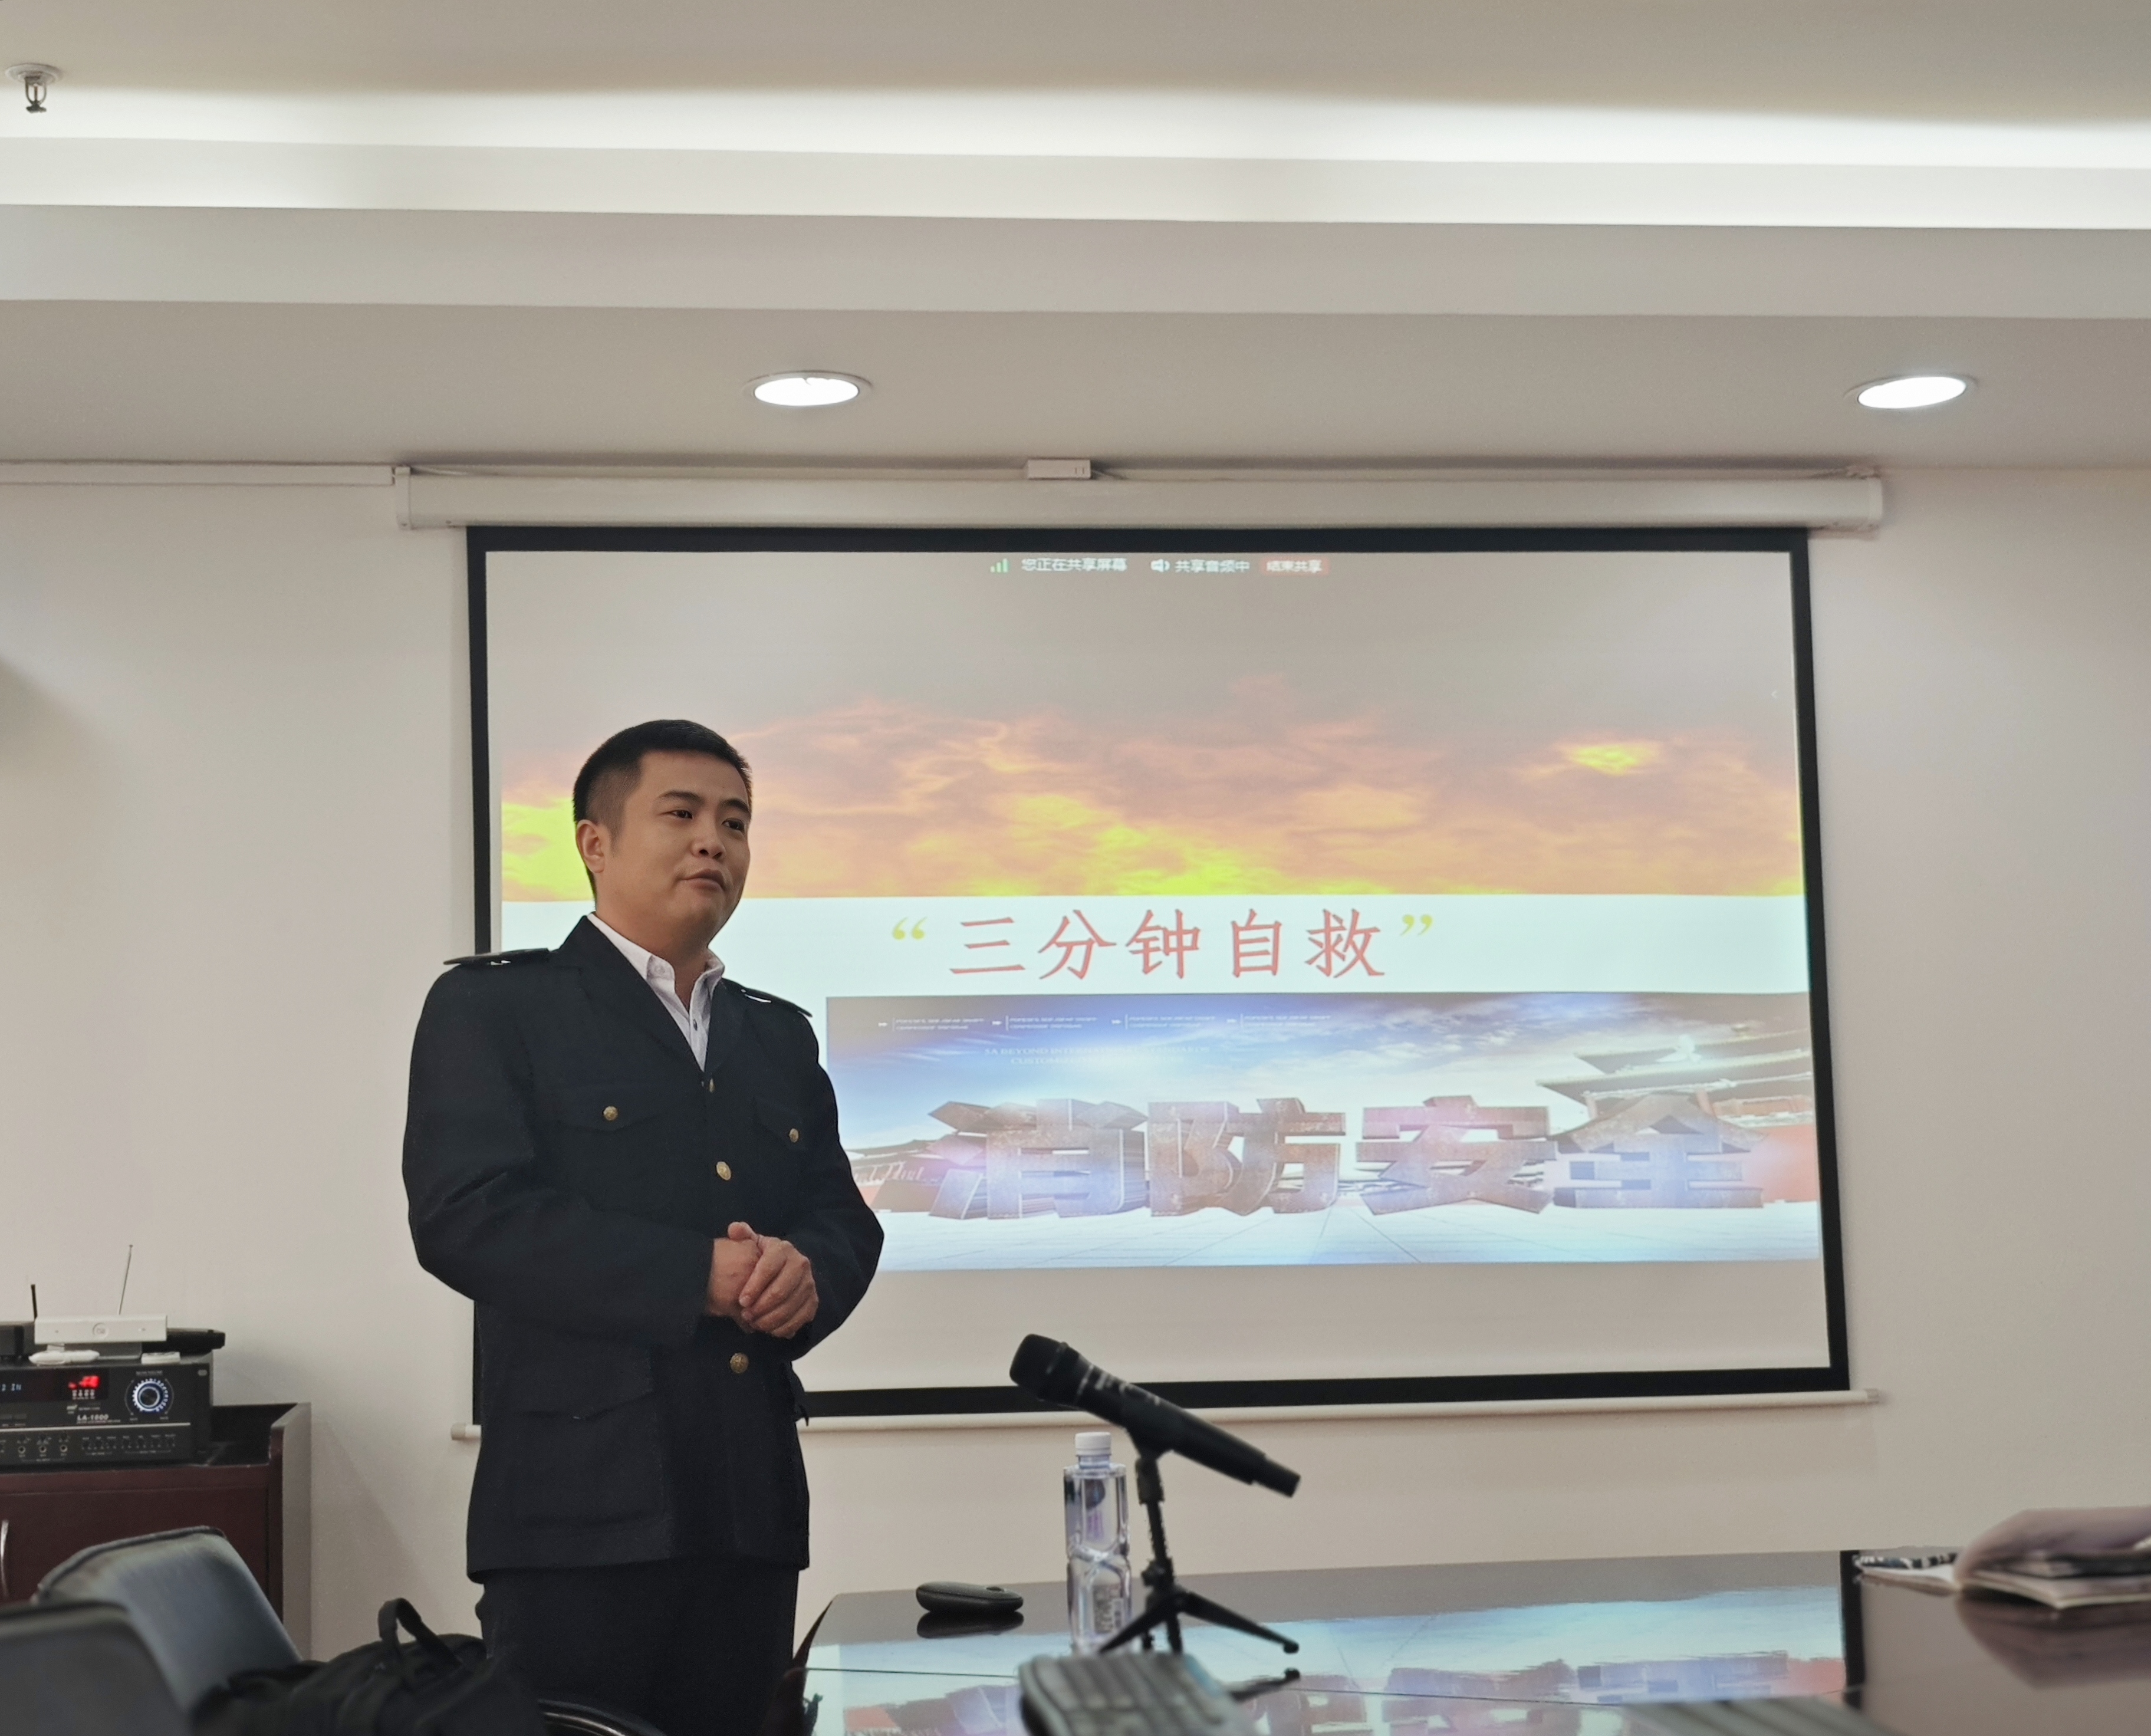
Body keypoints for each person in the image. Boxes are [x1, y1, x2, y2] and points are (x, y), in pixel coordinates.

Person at [402, 718, 883, 1736]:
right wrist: (695, 1275)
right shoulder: (498, 1010)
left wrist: (807, 1274)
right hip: (577, 1515)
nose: (715, 840)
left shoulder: (776, 1035)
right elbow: (465, 1214)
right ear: (595, 842)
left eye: (736, 822)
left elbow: (840, 1215)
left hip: (749, 1505)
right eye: (682, 813)